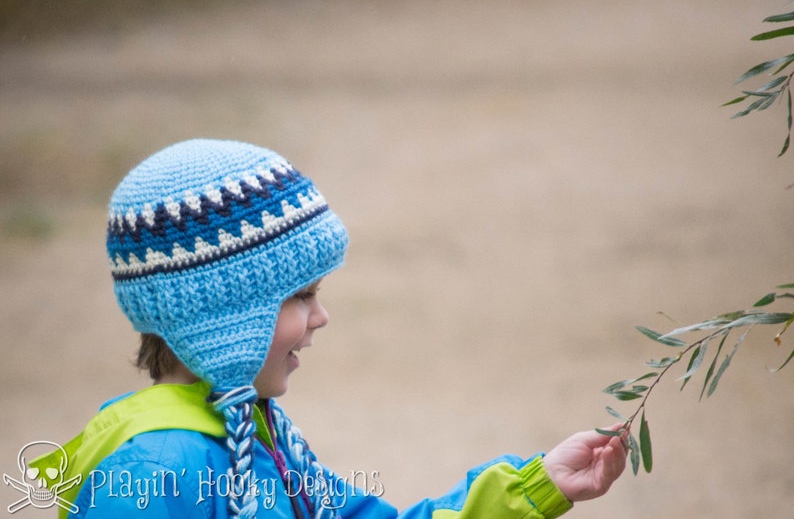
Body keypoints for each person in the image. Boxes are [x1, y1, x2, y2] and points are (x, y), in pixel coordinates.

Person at [36, 139, 626, 519]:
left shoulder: (256, 435)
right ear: (222, 317)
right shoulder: (156, 471)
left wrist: (533, 488)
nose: (321, 317)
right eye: (301, 296)